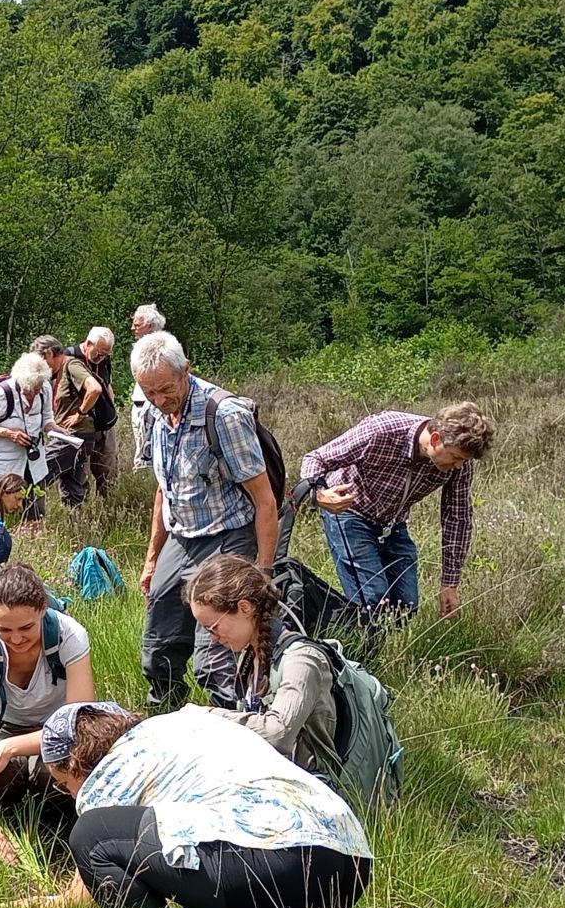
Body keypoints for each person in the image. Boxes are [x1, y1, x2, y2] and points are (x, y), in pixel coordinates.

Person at [19, 702, 373, 908]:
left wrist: (55, 905)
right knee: (182, 843)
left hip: (276, 858)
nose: (70, 795)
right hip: (349, 863)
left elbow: (94, 867)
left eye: (65, 784)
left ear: (79, 762)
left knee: (92, 835)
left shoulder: (115, 766)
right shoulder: (182, 725)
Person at [134, 331, 277, 707]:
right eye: (149, 392)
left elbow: (264, 501)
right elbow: (164, 490)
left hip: (228, 537)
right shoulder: (154, 415)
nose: (160, 400)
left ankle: (239, 722)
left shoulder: (224, 415)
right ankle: (166, 715)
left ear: (186, 371)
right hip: (181, 537)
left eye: (166, 389)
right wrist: (152, 559)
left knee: (212, 658)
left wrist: (262, 573)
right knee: (157, 646)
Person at [0, 564, 96, 863]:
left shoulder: (70, 635)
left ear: (42, 609)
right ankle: (7, 808)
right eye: (4, 629)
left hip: (57, 724)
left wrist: (7, 747)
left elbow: (75, 727)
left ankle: (53, 810)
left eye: (26, 628)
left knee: (61, 773)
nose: (15, 639)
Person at [299, 401, 491, 623]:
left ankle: (388, 651)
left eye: (463, 461)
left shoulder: (460, 464)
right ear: (436, 439)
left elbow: (457, 518)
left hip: (393, 524)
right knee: (373, 601)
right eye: (456, 458)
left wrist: (450, 583)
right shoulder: (382, 430)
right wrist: (320, 495)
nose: (458, 466)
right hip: (350, 513)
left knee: (405, 606)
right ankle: (350, 647)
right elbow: (316, 459)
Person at [187, 554, 342, 782]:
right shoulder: (251, 655)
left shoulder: (302, 660)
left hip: (316, 786)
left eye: (213, 627)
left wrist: (212, 716)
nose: (212, 638)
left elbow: (277, 733)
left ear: (245, 607)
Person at [0, 352, 55, 520]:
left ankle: (33, 538)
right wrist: (9, 434)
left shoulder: (45, 388)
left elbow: (47, 418)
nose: (34, 394)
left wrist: (54, 429)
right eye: (29, 391)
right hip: (2, 466)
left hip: (33, 463)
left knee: (36, 510)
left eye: (37, 389)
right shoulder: (3, 394)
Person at [33, 334, 103, 509]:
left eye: (40, 361)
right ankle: (76, 527)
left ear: (49, 353)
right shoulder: (62, 371)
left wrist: (80, 413)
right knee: (72, 488)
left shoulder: (71, 365)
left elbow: (94, 388)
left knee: (36, 475)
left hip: (73, 436)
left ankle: (32, 521)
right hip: (75, 437)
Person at [69, 327, 119, 494]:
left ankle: (109, 509)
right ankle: (80, 515)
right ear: (88, 343)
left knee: (108, 469)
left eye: (106, 355)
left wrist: (112, 409)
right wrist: (80, 413)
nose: (101, 358)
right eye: (98, 353)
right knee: (80, 474)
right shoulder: (70, 357)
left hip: (104, 423)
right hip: (81, 424)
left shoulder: (103, 360)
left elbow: (106, 384)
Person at [129, 304, 166, 470]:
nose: (133, 328)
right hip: (143, 405)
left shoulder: (158, 348)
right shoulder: (163, 344)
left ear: (149, 326)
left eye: (137, 325)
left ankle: (146, 486)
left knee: (147, 453)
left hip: (149, 406)